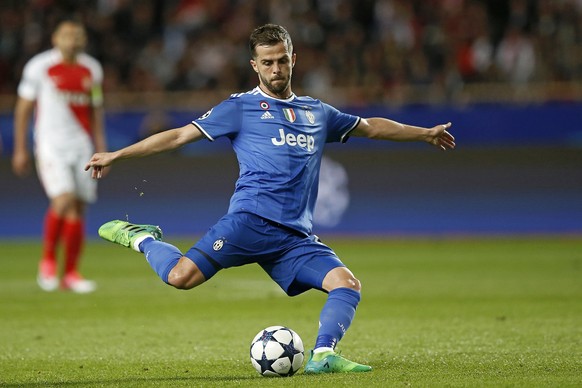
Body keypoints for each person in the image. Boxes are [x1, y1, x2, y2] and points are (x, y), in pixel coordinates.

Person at [85, 24, 455, 373]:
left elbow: (371, 127)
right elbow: (180, 136)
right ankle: (142, 237)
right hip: (249, 221)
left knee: (347, 284)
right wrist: (118, 155)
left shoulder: (317, 112)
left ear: (293, 59)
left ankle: (324, 353)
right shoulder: (239, 108)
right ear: (254, 66)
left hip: (294, 236)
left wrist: (424, 133)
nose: (275, 69)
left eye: (281, 60)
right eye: (267, 62)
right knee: (181, 277)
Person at [13, 19, 106, 294]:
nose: (72, 40)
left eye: (77, 35)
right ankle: (48, 261)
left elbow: (95, 110)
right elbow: (23, 109)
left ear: (84, 40)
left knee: (78, 206)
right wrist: (20, 148)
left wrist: (102, 148)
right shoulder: (39, 67)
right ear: (55, 39)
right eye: (67, 35)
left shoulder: (93, 69)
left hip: (82, 146)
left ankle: (71, 274)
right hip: (51, 144)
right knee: (63, 199)